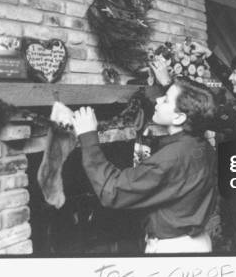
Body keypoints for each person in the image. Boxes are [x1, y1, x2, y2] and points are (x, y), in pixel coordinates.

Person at [51, 77, 218, 254]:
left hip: (174, 249)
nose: (158, 100)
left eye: (166, 99)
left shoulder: (172, 157)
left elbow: (112, 191)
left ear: (179, 117)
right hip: (197, 242)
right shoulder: (202, 146)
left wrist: (88, 136)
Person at [150, 47, 236, 252]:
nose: (230, 78)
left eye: (235, 72)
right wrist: (210, 56)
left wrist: (169, 85)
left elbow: (215, 115)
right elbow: (230, 84)